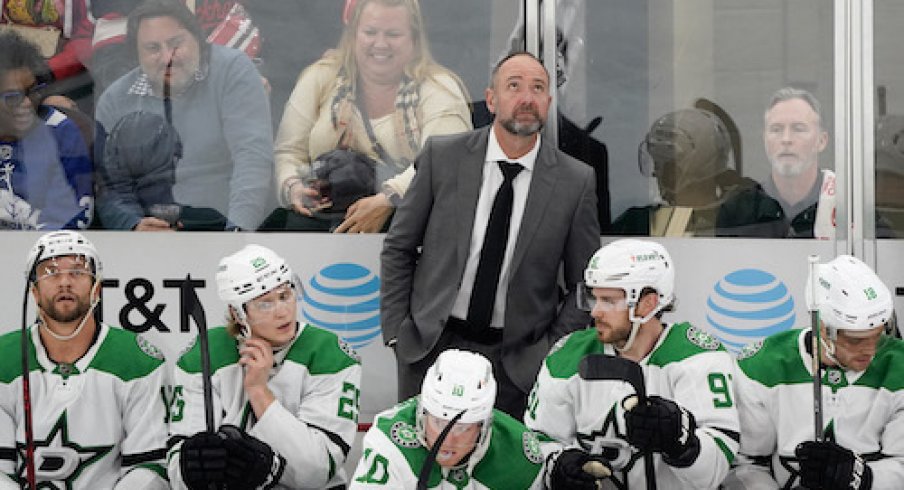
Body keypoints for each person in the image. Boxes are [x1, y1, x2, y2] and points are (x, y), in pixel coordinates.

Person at [381, 51, 600, 418]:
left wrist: (548, 352)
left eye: (538, 88)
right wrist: (397, 332)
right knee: (422, 464)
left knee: (503, 470)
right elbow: (399, 247)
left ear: (548, 102)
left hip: (517, 366)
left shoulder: (575, 181)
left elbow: (585, 283)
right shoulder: (443, 157)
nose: (526, 98)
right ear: (491, 99)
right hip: (431, 350)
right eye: (514, 86)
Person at [526, 239, 741, 489]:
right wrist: (559, 466)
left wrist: (682, 444)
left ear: (647, 304)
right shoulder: (567, 356)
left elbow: (715, 472)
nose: (595, 312)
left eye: (609, 300)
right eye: (593, 298)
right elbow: (536, 443)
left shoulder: (698, 358)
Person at [167, 244, 362, 489]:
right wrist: (196, 470)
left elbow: (316, 471)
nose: (283, 312)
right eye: (265, 303)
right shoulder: (202, 353)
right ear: (238, 314)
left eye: (285, 296)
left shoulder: (331, 354)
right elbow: (177, 470)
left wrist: (259, 392)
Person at [272, 0, 472, 233]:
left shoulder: (440, 89)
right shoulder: (320, 78)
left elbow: (445, 160)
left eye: (393, 34)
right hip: (318, 229)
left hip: (408, 233)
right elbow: (288, 151)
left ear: (415, 40)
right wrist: (293, 187)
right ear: (353, 34)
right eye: (370, 32)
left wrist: (389, 199)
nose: (380, 43)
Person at [0, 230, 168, 488]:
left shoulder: (138, 361)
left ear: (97, 289)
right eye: (50, 272)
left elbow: (150, 468)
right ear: (34, 291)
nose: (64, 281)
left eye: (78, 272)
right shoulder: (4, 359)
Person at [726, 255, 904, 489]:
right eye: (855, 341)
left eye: (877, 337)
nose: (870, 351)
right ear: (821, 326)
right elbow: (747, 465)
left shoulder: (899, 366)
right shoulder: (762, 366)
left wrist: (865, 479)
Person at [95, 0, 274, 231]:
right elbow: (109, 186)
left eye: (176, 43)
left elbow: (252, 159)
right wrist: (133, 226)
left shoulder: (233, 70)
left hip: (223, 224)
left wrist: (237, 233)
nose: (167, 56)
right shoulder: (114, 100)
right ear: (136, 56)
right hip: (152, 235)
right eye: (152, 49)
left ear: (198, 40)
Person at [351, 349, 556, 489]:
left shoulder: (520, 454)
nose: (448, 440)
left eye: (462, 428)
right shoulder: (390, 445)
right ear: (422, 414)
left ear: (484, 426)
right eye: (439, 423)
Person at [612, 107, 766, 236]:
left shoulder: (749, 218)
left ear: (702, 165)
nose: (658, 174)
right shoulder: (636, 225)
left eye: (669, 165)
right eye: (657, 163)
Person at [0, 30, 93, 230]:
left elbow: (75, 216)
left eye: (32, 91)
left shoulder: (60, 131)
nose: (27, 103)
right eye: (13, 97)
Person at [717, 87, 835, 238]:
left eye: (798, 129)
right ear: (765, 139)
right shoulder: (736, 212)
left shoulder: (847, 207)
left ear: (822, 141)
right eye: (776, 129)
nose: (786, 139)